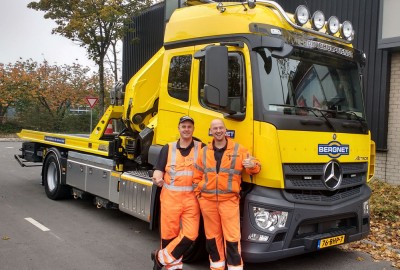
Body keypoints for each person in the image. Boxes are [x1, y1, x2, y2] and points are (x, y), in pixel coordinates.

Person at [193, 118, 261, 270]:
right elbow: (196, 175)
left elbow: (254, 166)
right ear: (211, 131)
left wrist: (253, 165)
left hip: (229, 201)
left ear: (225, 130)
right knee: (212, 238)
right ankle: (216, 267)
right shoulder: (204, 152)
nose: (218, 131)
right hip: (208, 202)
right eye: (214, 128)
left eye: (220, 128)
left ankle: (235, 267)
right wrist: (200, 195)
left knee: (232, 238)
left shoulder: (238, 150)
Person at [151, 115, 204, 270]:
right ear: (179, 128)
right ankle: (171, 267)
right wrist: (157, 178)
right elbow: (158, 170)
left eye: (189, 126)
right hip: (170, 199)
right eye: (184, 126)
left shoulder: (202, 148)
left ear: (193, 129)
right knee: (169, 235)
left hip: (191, 200)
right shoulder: (168, 148)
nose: (186, 129)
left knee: (190, 235)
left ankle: (160, 257)